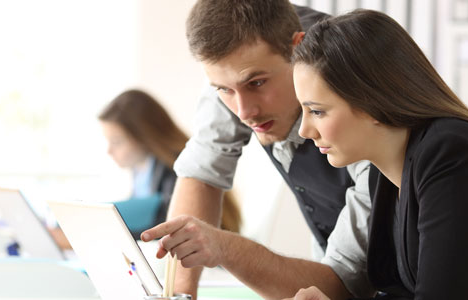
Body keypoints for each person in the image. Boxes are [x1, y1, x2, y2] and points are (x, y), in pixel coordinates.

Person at [287, 9, 468, 300]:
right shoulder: (385, 172)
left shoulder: (450, 156)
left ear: (371, 101)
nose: (304, 130)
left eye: (317, 111)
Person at [141, 1, 374, 299]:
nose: (243, 112)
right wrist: (180, 294)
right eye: (223, 89)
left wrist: (224, 247)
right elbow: (201, 172)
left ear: (297, 48)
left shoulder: (361, 94)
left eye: (257, 83)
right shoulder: (236, 64)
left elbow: (343, 285)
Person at [51, 89, 242, 248]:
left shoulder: (178, 169)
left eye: (117, 142)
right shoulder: (143, 169)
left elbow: (160, 229)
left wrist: (84, 239)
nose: (109, 151)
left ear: (143, 137)